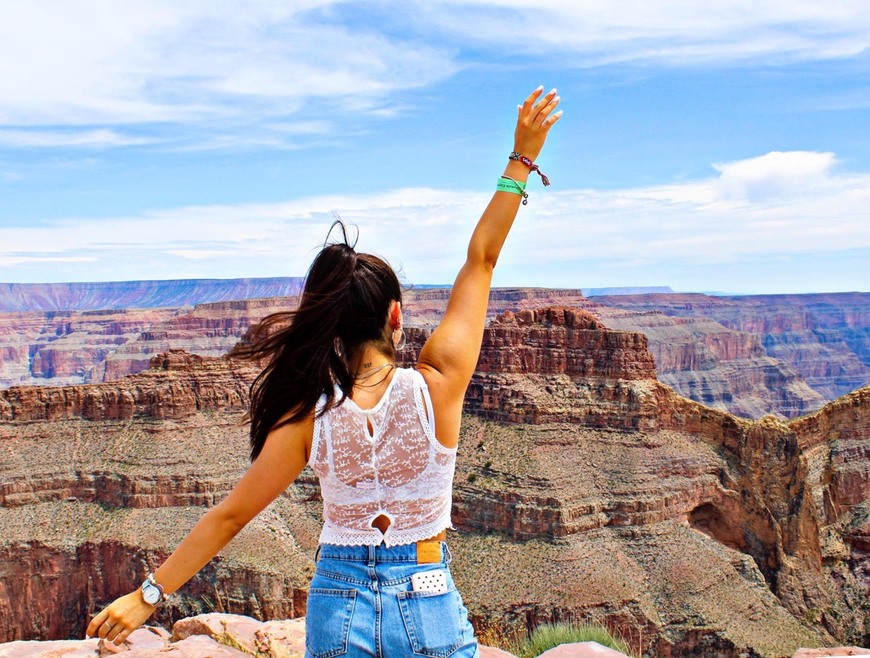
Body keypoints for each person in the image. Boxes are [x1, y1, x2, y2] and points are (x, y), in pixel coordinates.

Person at [86, 86, 562, 657]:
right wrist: (522, 159)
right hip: (428, 596)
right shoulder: (439, 385)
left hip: (339, 605)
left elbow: (232, 515)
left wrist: (147, 594)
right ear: (395, 316)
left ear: (331, 327)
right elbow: (481, 258)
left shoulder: (308, 416)